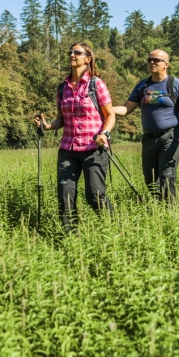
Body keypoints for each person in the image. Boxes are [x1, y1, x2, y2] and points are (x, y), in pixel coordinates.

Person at [34, 43, 116, 233]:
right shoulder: (62, 87)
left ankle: (114, 230)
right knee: (65, 196)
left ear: (87, 59)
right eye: (70, 52)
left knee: (94, 195)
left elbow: (110, 115)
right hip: (68, 149)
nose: (72, 55)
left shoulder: (96, 84)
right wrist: (47, 125)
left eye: (77, 52)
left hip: (93, 148)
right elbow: (61, 119)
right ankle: (70, 238)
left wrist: (104, 133)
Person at [113, 49, 179, 200]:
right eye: (149, 60)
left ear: (166, 64)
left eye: (156, 60)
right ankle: (158, 206)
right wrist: (106, 109)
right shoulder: (143, 86)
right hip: (149, 139)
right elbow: (126, 108)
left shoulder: (174, 84)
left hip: (171, 137)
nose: (152, 62)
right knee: (150, 178)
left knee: (166, 176)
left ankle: (169, 209)